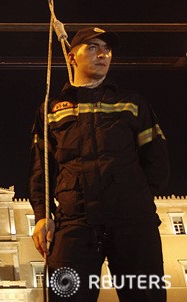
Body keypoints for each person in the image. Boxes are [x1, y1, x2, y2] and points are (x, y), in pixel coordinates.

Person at [28, 27, 169, 301]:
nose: (103, 54)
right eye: (92, 47)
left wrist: (134, 200)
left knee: (146, 297)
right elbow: (41, 168)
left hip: (133, 226)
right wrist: (42, 215)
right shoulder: (50, 109)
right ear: (72, 57)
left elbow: (157, 160)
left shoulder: (131, 103)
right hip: (75, 225)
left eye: (107, 49)